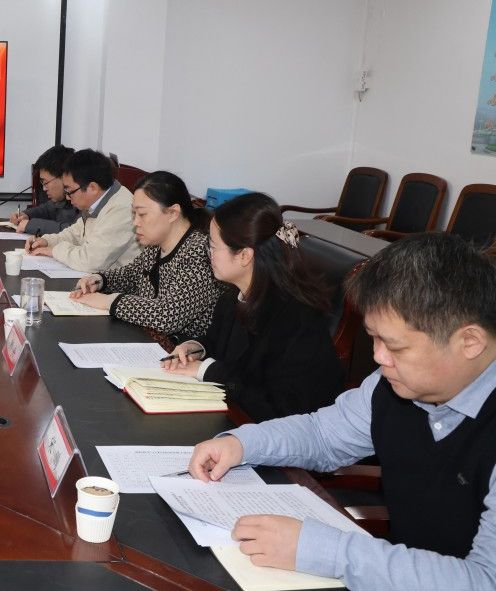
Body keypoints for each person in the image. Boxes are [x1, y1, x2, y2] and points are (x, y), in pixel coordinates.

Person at [188, 233, 496, 589]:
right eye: (374, 338)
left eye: (394, 346)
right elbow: (323, 435)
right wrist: (242, 443)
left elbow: (485, 580)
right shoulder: (391, 385)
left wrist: (325, 552)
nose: (378, 357)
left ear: (470, 342)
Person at [161, 193, 343, 420]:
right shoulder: (232, 296)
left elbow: (275, 403)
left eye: (213, 246)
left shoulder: (295, 318)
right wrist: (195, 348)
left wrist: (206, 370)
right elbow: (219, 344)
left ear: (245, 255)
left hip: (283, 429)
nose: (208, 254)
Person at [70, 170, 221, 341]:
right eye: (134, 214)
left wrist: (109, 301)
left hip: (182, 350)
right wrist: (99, 280)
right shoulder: (156, 244)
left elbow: (168, 316)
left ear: (173, 213)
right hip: (149, 338)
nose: (135, 222)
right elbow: (132, 275)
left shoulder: (200, 253)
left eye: (142, 214)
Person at [24, 149, 140, 273]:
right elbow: (76, 233)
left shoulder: (121, 209)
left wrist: (54, 250)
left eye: (69, 191)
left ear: (92, 188)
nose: (67, 197)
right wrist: (47, 241)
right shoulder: (98, 201)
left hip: (119, 283)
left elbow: (91, 261)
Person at [9, 145, 79, 234]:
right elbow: (46, 209)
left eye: (46, 183)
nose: (44, 188)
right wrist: (26, 215)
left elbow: (73, 231)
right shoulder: (62, 199)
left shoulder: (82, 198)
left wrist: (31, 225)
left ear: (63, 177)